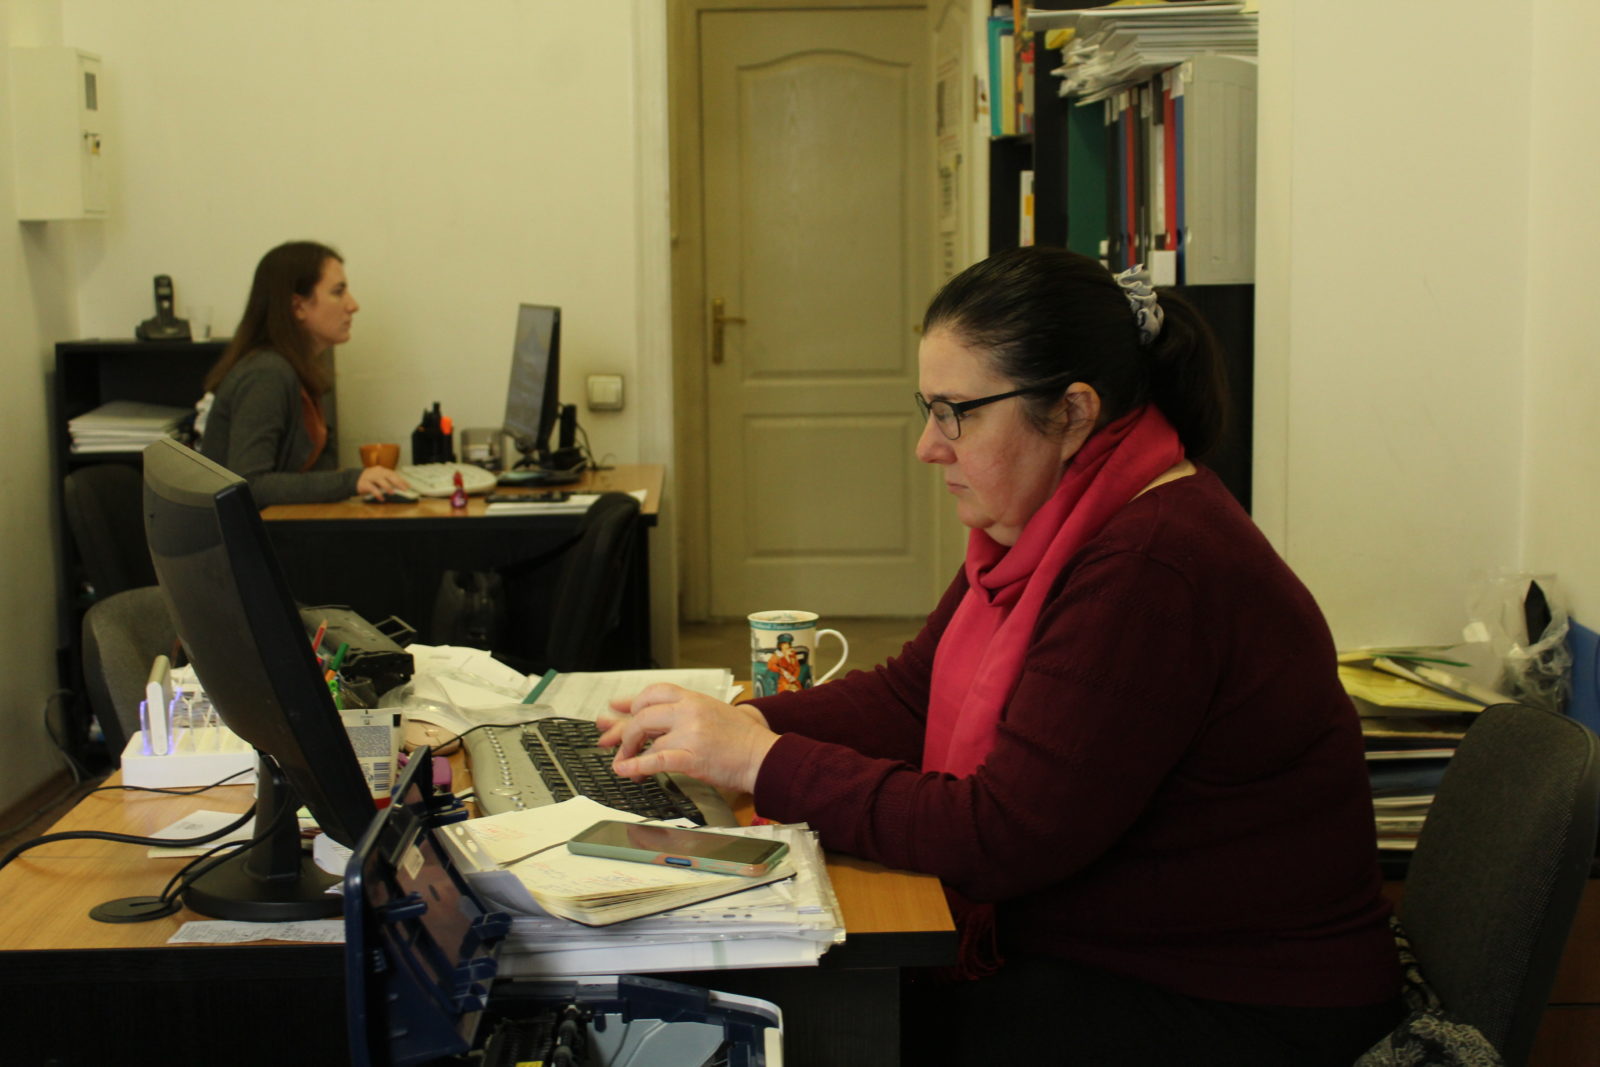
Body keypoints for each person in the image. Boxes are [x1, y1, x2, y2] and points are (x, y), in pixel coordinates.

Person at [599, 247, 1402, 1064]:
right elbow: (911, 697)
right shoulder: (1054, 527)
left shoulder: (1151, 565)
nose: (928, 446)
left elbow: (1000, 834)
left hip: (1240, 1006)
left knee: (825, 1021)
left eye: (957, 412)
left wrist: (761, 760)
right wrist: (723, 731)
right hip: (1124, 954)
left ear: (1073, 411)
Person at [198, 241, 408, 507]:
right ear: (298, 307)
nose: (352, 305)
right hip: (250, 543)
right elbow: (250, 484)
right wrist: (352, 481)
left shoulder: (302, 371)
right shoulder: (266, 374)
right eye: (338, 292)